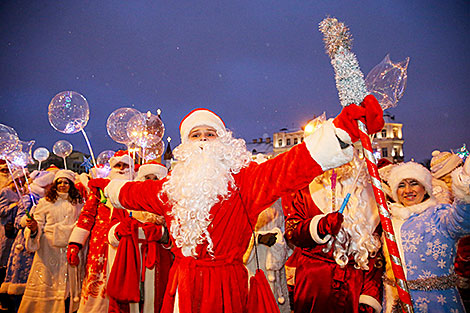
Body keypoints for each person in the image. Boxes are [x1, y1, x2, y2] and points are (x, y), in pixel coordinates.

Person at [99, 97, 384, 313]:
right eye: (195, 136)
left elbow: (289, 166)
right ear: (185, 144)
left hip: (225, 287)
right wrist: (108, 188)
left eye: (208, 135)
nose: (202, 142)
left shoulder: (245, 181)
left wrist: (342, 131)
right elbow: (133, 192)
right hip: (181, 284)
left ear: (222, 141)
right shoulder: (171, 188)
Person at [285, 155, 383, 313]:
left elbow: (376, 257)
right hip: (314, 284)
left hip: (354, 286)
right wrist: (320, 226)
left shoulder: (372, 197)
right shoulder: (307, 190)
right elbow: (292, 232)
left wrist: (370, 297)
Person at [382, 160, 470, 313]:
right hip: (396, 304)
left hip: (436, 304)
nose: (407, 190)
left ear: (425, 188)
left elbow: (461, 221)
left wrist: (464, 187)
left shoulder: (439, 215)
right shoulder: (390, 223)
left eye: (414, 183)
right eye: (401, 185)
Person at [66, 150, 135, 313]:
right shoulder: (99, 189)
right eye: (118, 165)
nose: (122, 168)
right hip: (100, 244)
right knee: (97, 284)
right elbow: (87, 215)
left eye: (126, 165)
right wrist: (75, 243)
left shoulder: (136, 187)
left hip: (127, 243)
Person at [107, 161, 172, 313]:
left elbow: (178, 237)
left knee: (157, 299)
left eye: (154, 178)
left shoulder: (169, 202)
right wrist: (119, 230)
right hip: (129, 259)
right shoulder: (124, 200)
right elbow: (111, 233)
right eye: (146, 178)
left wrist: (161, 234)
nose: (150, 182)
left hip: (159, 261)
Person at [18, 170, 84, 313]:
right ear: (54, 185)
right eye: (59, 182)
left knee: (69, 286)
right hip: (48, 251)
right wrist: (34, 228)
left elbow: (82, 222)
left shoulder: (78, 202)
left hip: (69, 249)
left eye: (66, 182)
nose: (62, 185)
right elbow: (39, 223)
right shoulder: (45, 202)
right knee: (46, 284)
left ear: (71, 185)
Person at [0, 169, 56, 312]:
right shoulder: (28, 198)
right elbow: (18, 221)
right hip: (24, 244)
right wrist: (30, 218)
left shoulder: (48, 200)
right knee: (21, 283)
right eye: (50, 184)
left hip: (40, 242)